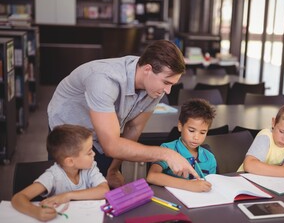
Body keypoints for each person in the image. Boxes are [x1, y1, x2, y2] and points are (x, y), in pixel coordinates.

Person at [47, 40, 199, 188]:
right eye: (166, 82)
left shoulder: (154, 86)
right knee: (72, 192)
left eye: (172, 84)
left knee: (105, 189)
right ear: (147, 70)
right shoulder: (104, 80)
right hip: (69, 133)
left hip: (104, 137)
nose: (168, 91)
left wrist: (113, 170)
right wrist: (166, 154)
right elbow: (111, 146)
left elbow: (133, 128)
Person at [11, 124, 109, 222]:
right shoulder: (53, 176)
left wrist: (68, 195)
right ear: (70, 161)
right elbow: (18, 198)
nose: (94, 154)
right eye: (89, 152)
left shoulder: (90, 167)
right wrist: (36, 212)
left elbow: (104, 191)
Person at [147, 98, 217, 192]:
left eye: (202, 132)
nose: (196, 137)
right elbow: (152, 176)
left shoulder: (210, 158)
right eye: (191, 131)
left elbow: (212, 184)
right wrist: (189, 185)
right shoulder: (167, 149)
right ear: (180, 126)